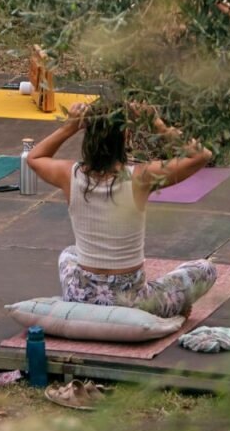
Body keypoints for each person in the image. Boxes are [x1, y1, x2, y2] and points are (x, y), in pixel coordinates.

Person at [26, 100, 217, 317]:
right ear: (125, 137)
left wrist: (68, 126)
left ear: (87, 135)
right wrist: (156, 123)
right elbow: (202, 156)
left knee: (69, 253)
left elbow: (33, 157)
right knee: (205, 269)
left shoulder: (68, 173)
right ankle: (172, 306)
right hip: (133, 304)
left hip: (80, 295)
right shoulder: (141, 177)